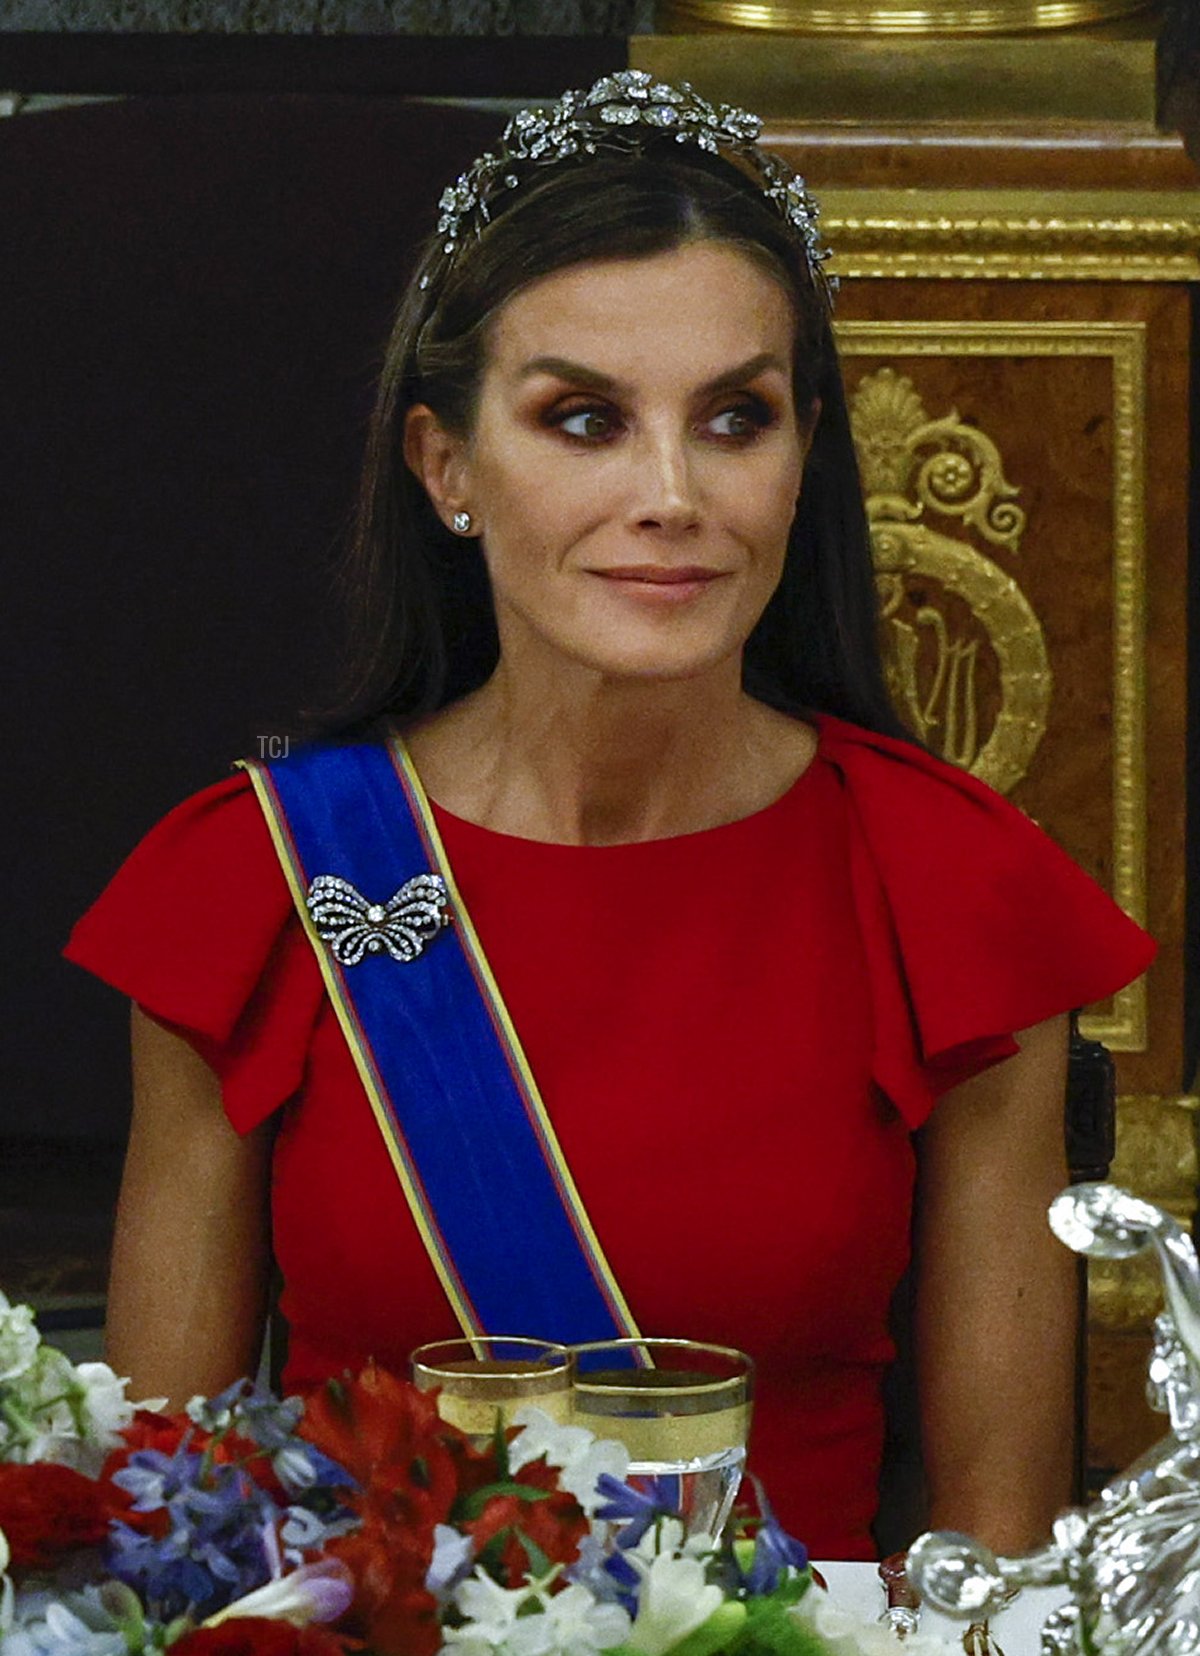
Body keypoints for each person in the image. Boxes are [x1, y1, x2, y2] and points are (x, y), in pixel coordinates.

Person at [65, 71, 1154, 1562]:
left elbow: (992, 1564)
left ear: (804, 456)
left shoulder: (951, 890)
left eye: (735, 419)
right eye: (584, 419)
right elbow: (162, 1544)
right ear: (446, 464)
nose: (671, 492)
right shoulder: (253, 884)